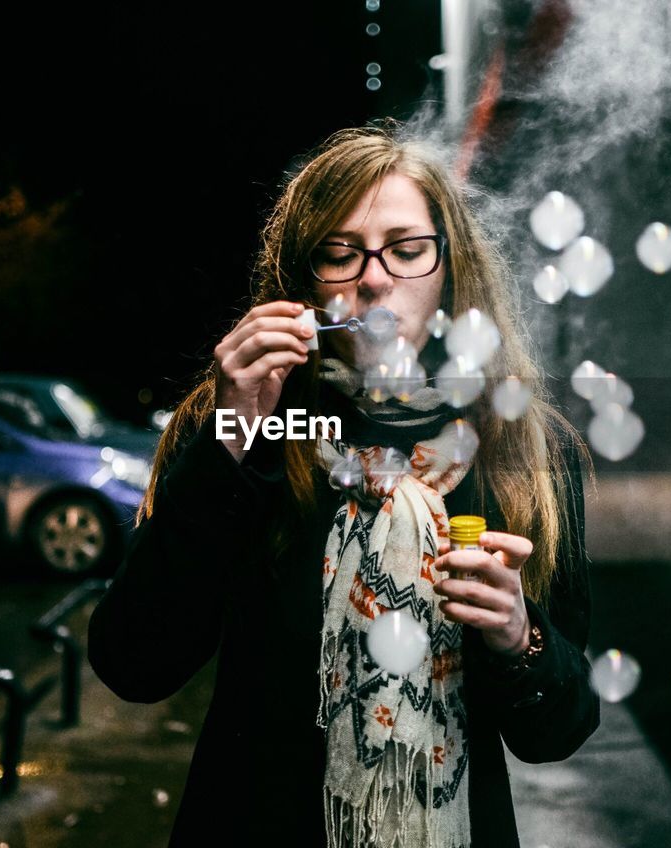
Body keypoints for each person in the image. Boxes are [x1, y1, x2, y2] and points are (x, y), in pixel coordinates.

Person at [87, 124, 599, 847]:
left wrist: (521, 638)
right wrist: (230, 441)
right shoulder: (248, 426)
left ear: (452, 269)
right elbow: (134, 663)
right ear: (304, 284)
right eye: (339, 252)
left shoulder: (526, 450)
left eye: (407, 248)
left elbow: (559, 733)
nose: (374, 277)